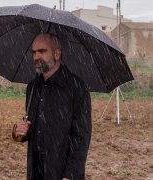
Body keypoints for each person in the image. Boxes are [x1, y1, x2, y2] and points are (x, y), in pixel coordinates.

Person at [12, 33, 92, 180]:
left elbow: (82, 136)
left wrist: (70, 174)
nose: (36, 57)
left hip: (61, 171)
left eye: (42, 51)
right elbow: (33, 127)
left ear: (57, 53)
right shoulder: (32, 87)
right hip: (36, 171)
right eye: (34, 52)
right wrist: (20, 133)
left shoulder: (76, 87)